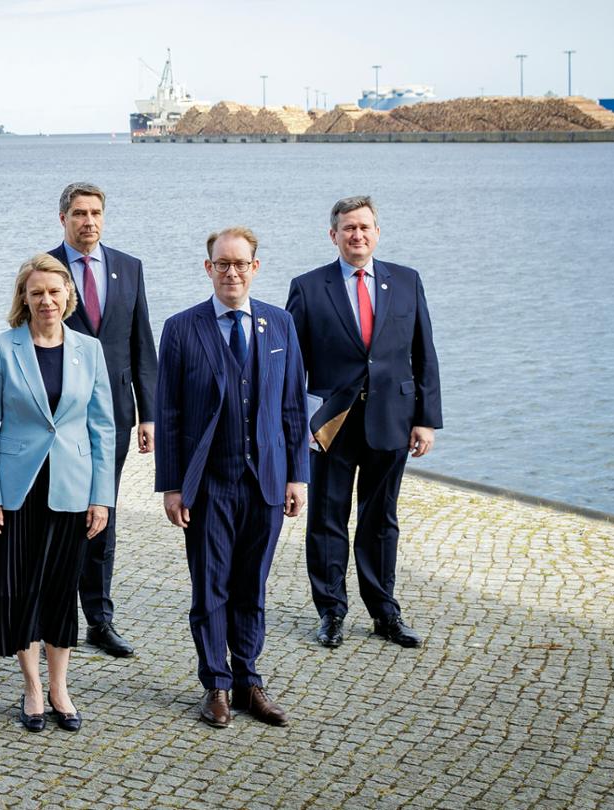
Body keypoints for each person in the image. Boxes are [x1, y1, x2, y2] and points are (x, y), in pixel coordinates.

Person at [155, 227, 308, 728]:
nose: (232, 272)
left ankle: (248, 680)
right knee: (210, 587)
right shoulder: (181, 329)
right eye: (222, 264)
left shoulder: (281, 325)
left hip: (265, 478)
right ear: (208, 269)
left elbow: (291, 407)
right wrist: (172, 485)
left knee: (252, 585)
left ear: (255, 268)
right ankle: (215, 685)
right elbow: (170, 412)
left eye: (241, 264)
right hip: (209, 481)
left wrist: (296, 477)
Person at [285, 196, 442, 650]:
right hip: (332, 425)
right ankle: (331, 612)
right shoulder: (309, 287)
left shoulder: (406, 281)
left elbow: (423, 353)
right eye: (348, 228)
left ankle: (384, 612)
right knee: (328, 520)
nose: (357, 235)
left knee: (381, 520)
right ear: (332, 234)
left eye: (365, 227)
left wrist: (426, 420)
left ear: (378, 232)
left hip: (393, 419)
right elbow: (292, 365)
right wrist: (295, 425)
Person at [0, 255, 116, 733]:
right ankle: (32, 686)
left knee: (61, 589)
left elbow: (103, 427)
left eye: (54, 292)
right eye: (37, 293)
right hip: (18, 490)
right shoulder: (2, 349)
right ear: (25, 298)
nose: (46, 301)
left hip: (72, 489)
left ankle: (61, 686)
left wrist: (103, 497)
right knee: (20, 588)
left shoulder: (89, 350)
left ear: (67, 297)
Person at [47, 182, 158, 659]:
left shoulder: (129, 268)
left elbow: (141, 346)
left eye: (95, 213)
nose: (88, 221)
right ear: (63, 219)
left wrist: (149, 413)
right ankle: (56, 614)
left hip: (114, 413)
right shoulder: (45, 269)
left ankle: (100, 618)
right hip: (58, 416)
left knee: (101, 514)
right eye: (78, 213)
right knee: (59, 513)